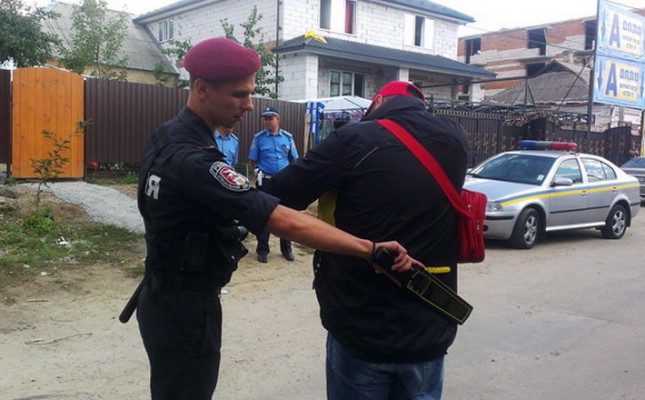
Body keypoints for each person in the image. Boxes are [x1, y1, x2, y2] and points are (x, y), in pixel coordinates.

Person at [134, 38, 417, 400]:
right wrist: (369, 249)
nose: (249, 105)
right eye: (239, 94)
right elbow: (283, 220)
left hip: (165, 294)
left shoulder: (167, 135)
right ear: (201, 89)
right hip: (185, 306)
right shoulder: (195, 159)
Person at [263, 80, 469, 400]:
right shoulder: (457, 138)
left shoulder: (354, 139)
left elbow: (279, 195)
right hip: (430, 321)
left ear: (379, 101)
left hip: (362, 325)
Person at [248, 106, 299, 263]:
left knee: (286, 215)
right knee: (264, 214)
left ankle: (286, 249)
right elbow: (252, 160)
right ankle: (263, 249)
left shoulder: (287, 137)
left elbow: (294, 159)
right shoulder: (259, 138)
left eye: (270, 118)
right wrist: (257, 172)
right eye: (265, 119)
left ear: (278, 119)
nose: (267, 121)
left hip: (284, 181)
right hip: (266, 181)